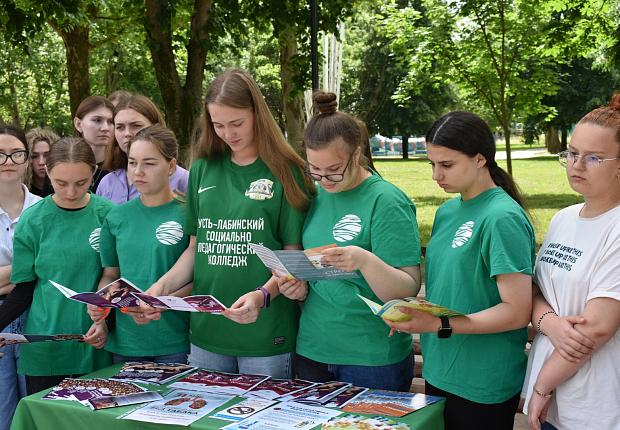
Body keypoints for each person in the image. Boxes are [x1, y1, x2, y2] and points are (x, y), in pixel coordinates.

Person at [136, 68, 314, 378]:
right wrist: (159, 291)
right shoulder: (203, 168)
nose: (228, 134)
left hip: (266, 332)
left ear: (257, 114)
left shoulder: (286, 170)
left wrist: (262, 295)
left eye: (237, 123)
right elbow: (195, 248)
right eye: (218, 125)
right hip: (207, 331)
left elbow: (292, 256)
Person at [385, 111, 535, 430]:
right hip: (441, 370)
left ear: (480, 159)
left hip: (482, 380)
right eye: (433, 164)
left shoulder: (502, 218)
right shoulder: (448, 210)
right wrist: (411, 314)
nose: (436, 175)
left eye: (447, 165)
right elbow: (453, 289)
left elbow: (517, 311)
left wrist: (439, 324)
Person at [279, 91, 421, 392]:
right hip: (314, 349)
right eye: (314, 170)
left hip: (370, 356)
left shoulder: (386, 201)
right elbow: (321, 276)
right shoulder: (317, 194)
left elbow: (406, 288)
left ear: (356, 155)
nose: (324, 180)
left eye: (334, 170)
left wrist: (364, 260)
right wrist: (299, 286)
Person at [522, 96, 620, 430]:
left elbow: (597, 328)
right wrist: (550, 323)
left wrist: (541, 386)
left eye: (593, 157)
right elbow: (534, 291)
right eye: (572, 153)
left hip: (596, 407)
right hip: (554, 403)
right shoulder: (563, 218)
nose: (576, 165)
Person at [0, 137, 113, 395]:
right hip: (44, 344)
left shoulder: (108, 214)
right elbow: (24, 287)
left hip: (94, 340)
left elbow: (114, 277)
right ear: (47, 171)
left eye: (81, 183)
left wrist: (107, 320)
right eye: (61, 183)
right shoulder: (33, 219)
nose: (71, 192)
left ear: (94, 172)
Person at [88, 125, 190, 364]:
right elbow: (110, 274)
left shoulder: (188, 214)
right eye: (132, 163)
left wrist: (162, 303)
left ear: (171, 166)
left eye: (149, 163)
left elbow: (200, 277)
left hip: (175, 340)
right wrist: (100, 301)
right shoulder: (116, 217)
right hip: (126, 342)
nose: (138, 172)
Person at [0, 126, 42, 430]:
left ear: (27, 159)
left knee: (34, 403)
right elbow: (35, 271)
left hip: (36, 314)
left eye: (16, 153)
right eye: (0, 154)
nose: (8, 161)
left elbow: (48, 272)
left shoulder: (43, 209)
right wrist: (27, 272)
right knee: (2, 406)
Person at [96, 94, 188, 204]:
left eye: (135, 125)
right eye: (120, 127)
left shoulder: (185, 180)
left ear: (155, 126)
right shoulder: (107, 183)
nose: (127, 134)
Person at [73, 96, 114, 191]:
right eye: (97, 120)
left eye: (110, 122)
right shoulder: (63, 164)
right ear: (78, 124)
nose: (105, 128)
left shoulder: (121, 168)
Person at [26, 127, 59, 197]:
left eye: (47, 155)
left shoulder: (66, 188)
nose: (41, 162)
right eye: (34, 156)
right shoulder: (23, 191)